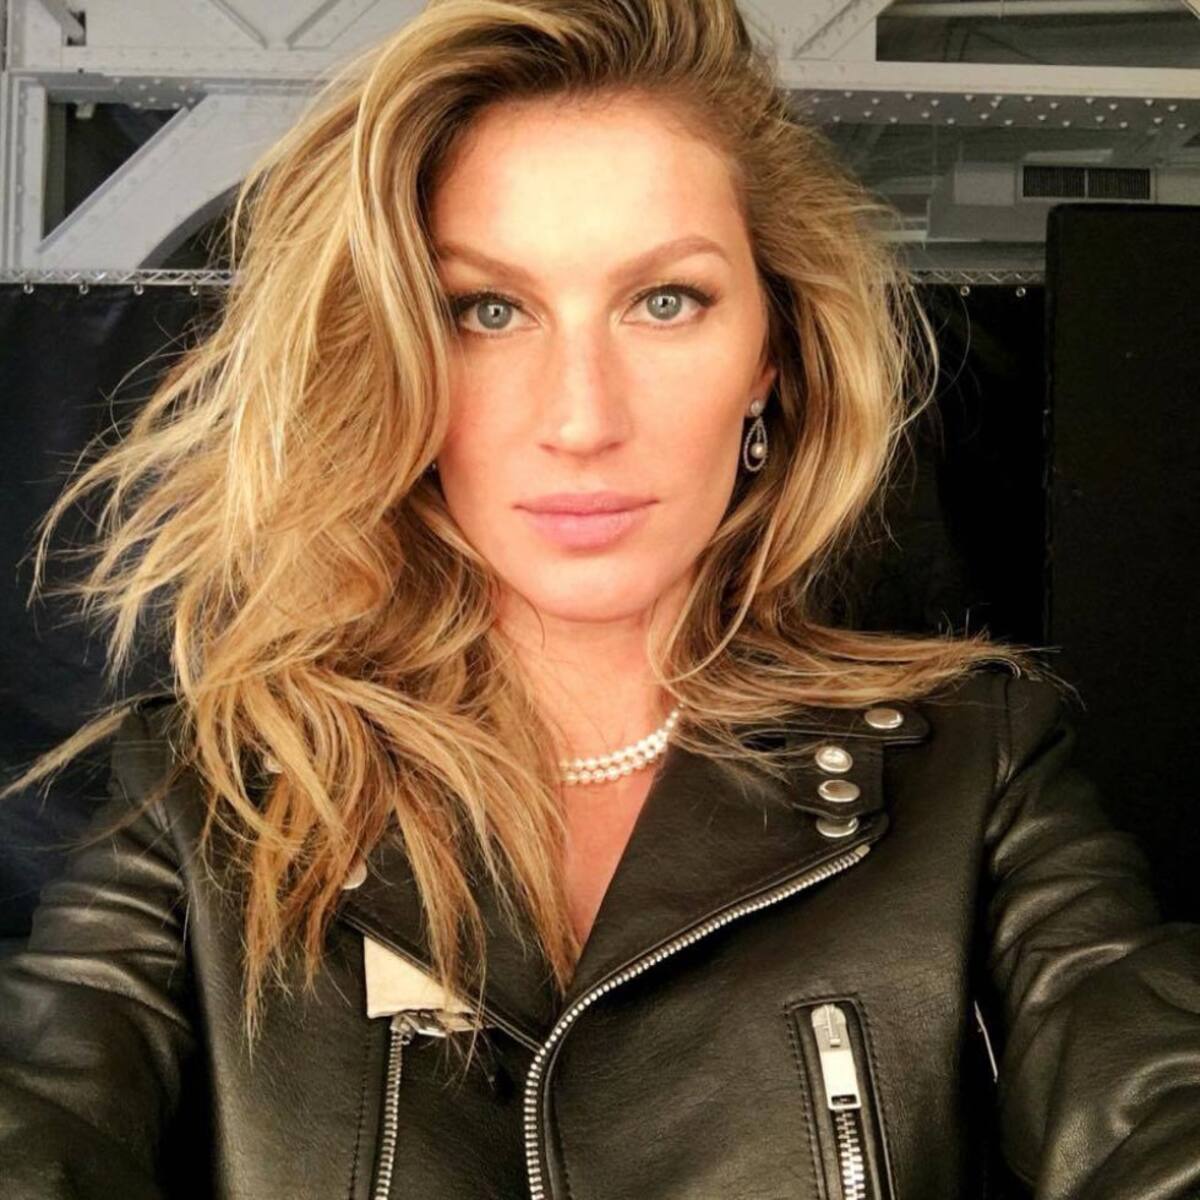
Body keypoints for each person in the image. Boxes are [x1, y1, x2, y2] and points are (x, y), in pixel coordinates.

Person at [1, 0, 1198, 1197]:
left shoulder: (972, 772)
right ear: (391, 357)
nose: (581, 419)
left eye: (665, 300)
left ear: (771, 354)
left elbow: (1155, 1112)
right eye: (488, 310)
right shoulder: (213, 797)